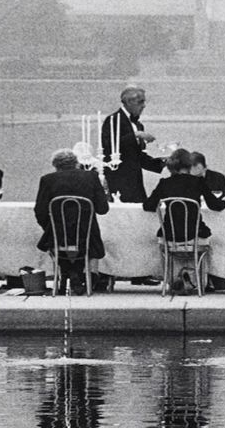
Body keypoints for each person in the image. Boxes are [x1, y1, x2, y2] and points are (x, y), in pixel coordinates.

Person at [143, 149, 225, 294]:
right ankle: (201, 282)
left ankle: (173, 280)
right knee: (212, 241)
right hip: (193, 234)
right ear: (189, 165)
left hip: (170, 235)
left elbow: (148, 206)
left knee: (165, 246)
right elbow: (215, 206)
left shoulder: (164, 183)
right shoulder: (198, 182)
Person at [34, 148, 110, 295]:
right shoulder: (91, 177)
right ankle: (76, 272)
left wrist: (50, 227)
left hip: (59, 233)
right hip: (86, 233)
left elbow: (40, 211)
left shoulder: (47, 180)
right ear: (76, 163)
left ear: (55, 165)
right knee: (84, 237)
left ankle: (66, 273)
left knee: (56, 239)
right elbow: (102, 209)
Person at [100, 86, 165, 203]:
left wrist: (164, 162)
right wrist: (136, 134)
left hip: (135, 181)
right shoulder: (112, 120)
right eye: (140, 102)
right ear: (129, 102)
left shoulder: (138, 124)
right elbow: (109, 145)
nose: (144, 105)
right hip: (118, 179)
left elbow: (137, 157)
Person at [190, 151, 225, 292]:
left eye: (197, 166)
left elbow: (222, 197)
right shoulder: (185, 178)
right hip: (194, 220)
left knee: (218, 243)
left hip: (214, 217)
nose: (194, 170)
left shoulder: (217, 177)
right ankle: (200, 280)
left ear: (204, 166)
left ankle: (217, 279)